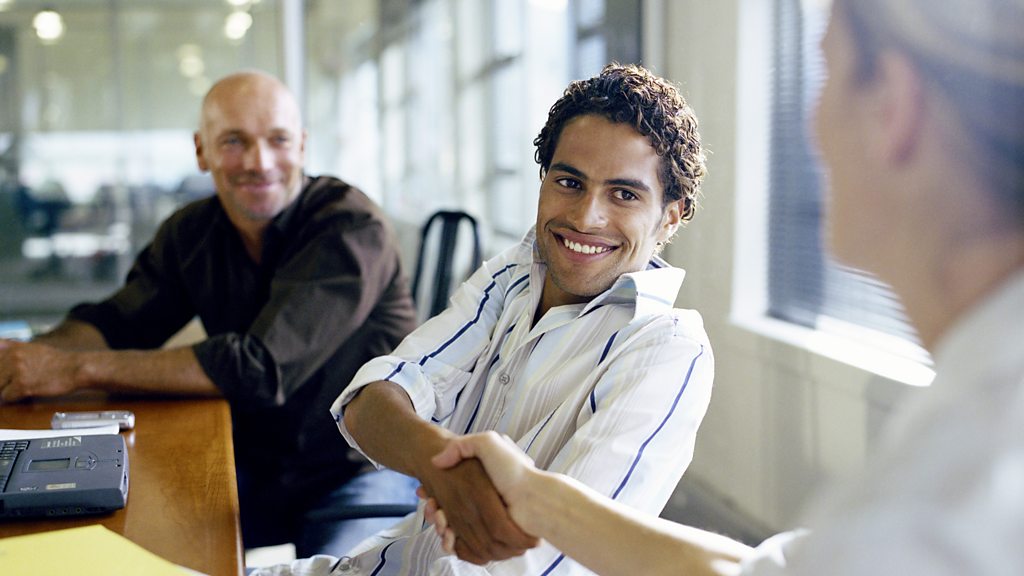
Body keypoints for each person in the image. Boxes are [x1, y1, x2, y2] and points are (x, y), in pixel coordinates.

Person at [422, 0, 1024, 574]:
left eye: (825, 70)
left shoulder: (965, 476)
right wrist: (532, 494)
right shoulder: (977, 411)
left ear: (893, 107)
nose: (810, 123)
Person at [253, 63, 715, 575]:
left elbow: (548, 565)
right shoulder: (515, 275)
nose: (587, 217)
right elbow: (368, 403)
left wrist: (437, 463)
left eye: (624, 194)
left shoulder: (667, 351)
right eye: (569, 182)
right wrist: (445, 466)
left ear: (669, 218)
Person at [0, 71, 421, 558]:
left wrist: (69, 369)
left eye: (278, 140)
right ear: (202, 151)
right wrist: (26, 360)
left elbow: (257, 368)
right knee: (114, 545)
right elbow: (115, 322)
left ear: (302, 146)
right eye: (234, 141)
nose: (258, 162)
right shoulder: (192, 231)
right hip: (252, 462)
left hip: (357, 469)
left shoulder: (350, 226)